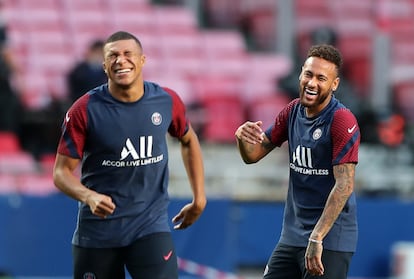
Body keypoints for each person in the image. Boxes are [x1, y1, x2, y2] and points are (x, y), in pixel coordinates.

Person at [53, 31, 207, 279]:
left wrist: (199, 198)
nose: (120, 60)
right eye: (113, 56)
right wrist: (89, 196)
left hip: (150, 226)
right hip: (98, 233)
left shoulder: (166, 100)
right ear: (104, 66)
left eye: (127, 54)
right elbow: (60, 172)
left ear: (142, 60)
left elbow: (188, 140)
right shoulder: (84, 110)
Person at [235, 44, 360, 279]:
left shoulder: (342, 120)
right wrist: (242, 138)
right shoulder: (292, 111)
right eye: (309, 74)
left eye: (321, 78)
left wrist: (317, 237)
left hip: (330, 238)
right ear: (301, 73)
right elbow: (252, 156)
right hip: (292, 236)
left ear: (334, 84)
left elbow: (345, 185)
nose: (312, 83)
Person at [67, 39, 108, 103]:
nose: (99, 57)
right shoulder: (78, 72)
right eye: (97, 53)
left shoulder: (108, 72)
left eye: (102, 54)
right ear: (91, 52)